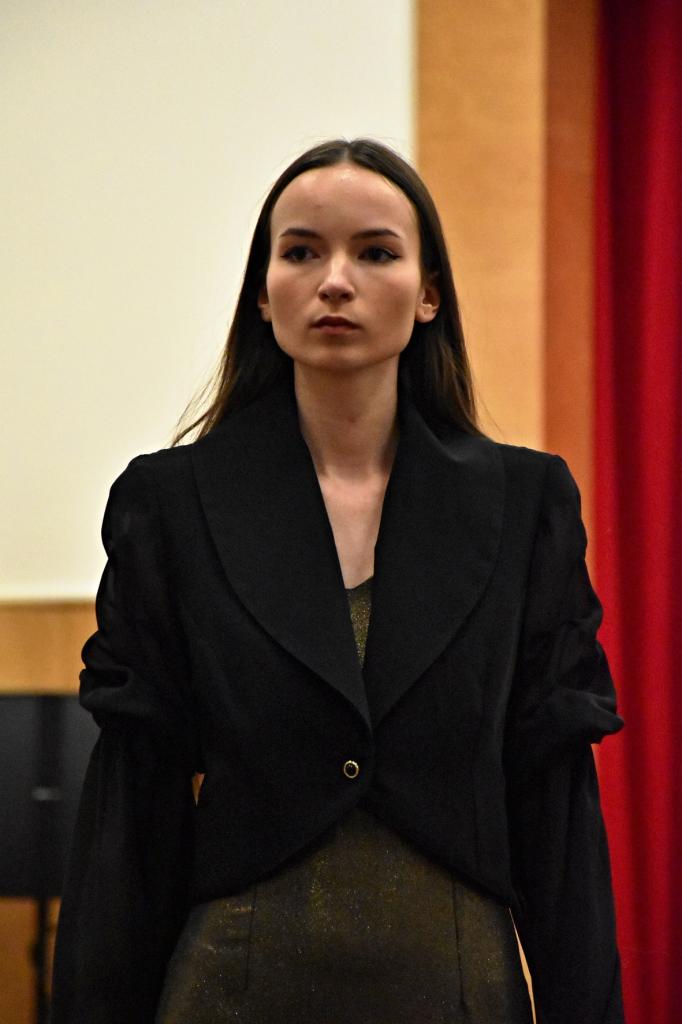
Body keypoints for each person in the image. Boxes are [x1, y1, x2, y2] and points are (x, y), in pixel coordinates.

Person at [51, 138, 624, 1024]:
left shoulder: (526, 503)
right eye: (302, 251)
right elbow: (134, 807)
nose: (335, 281)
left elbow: (556, 804)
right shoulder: (168, 504)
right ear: (262, 291)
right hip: (231, 988)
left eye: (377, 252)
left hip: (457, 986)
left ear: (429, 293)